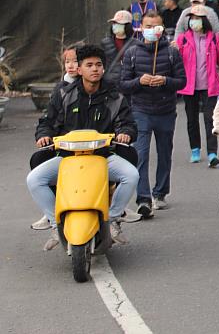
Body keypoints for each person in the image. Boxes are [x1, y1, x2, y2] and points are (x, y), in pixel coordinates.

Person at [28, 44, 140, 249]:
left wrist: (126, 133)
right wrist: (44, 136)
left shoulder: (115, 97)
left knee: (131, 175)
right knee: (35, 179)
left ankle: (113, 218)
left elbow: (128, 123)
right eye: (89, 65)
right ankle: (55, 223)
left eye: (99, 65)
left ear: (103, 69)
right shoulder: (63, 95)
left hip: (103, 157)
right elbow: (47, 122)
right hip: (67, 158)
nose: (95, 69)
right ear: (79, 69)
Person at [119, 11, 186, 218]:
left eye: (156, 27)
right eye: (148, 26)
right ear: (141, 27)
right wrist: (140, 81)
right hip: (140, 111)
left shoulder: (173, 53)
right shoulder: (131, 53)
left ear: (162, 28)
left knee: (165, 153)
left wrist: (165, 81)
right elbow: (123, 84)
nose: (152, 31)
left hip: (166, 111)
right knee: (141, 154)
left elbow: (182, 81)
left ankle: (160, 193)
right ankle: (143, 199)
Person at [29, 41, 83, 231]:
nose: (71, 65)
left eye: (75, 61)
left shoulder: (95, 87)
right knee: (39, 159)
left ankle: (117, 212)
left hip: (90, 145)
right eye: (67, 61)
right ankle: (52, 212)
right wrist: (44, 135)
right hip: (64, 146)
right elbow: (48, 118)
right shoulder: (59, 89)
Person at [175, 5, 219, 167]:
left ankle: (212, 153)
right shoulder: (183, 39)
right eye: (192, 19)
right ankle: (195, 149)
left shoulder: (213, 39)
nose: (194, 22)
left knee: (210, 119)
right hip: (189, 86)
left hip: (210, 85)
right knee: (191, 119)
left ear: (205, 21)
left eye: (197, 19)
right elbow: (176, 61)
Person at [101, 10, 136, 89]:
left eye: (119, 24)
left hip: (128, 83)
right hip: (109, 84)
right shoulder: (105, 43)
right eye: (114, 23)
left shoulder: (136, 44)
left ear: (128, 26)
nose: (115, 25)